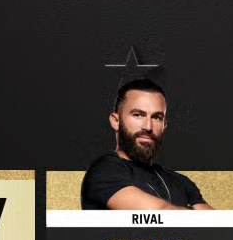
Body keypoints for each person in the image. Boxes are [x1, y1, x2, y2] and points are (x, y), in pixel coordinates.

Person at [80, 77, 214, 211]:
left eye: (157, 117)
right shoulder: (104, 171)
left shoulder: (182, 182)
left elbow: (219, 222)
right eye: (138, 115)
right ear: (116, 121)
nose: (148, 127)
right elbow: (160, 215)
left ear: (164, 125)